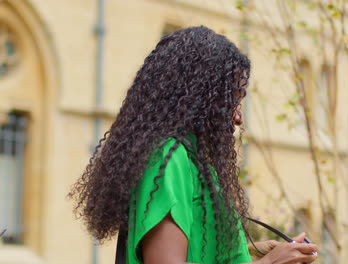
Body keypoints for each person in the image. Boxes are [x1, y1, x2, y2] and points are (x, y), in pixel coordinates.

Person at [69, 26, 318, 264]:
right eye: (232, 99)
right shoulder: (168, 158)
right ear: (200, 97)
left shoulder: (194, 162)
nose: (238, 116)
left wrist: (255, 254)